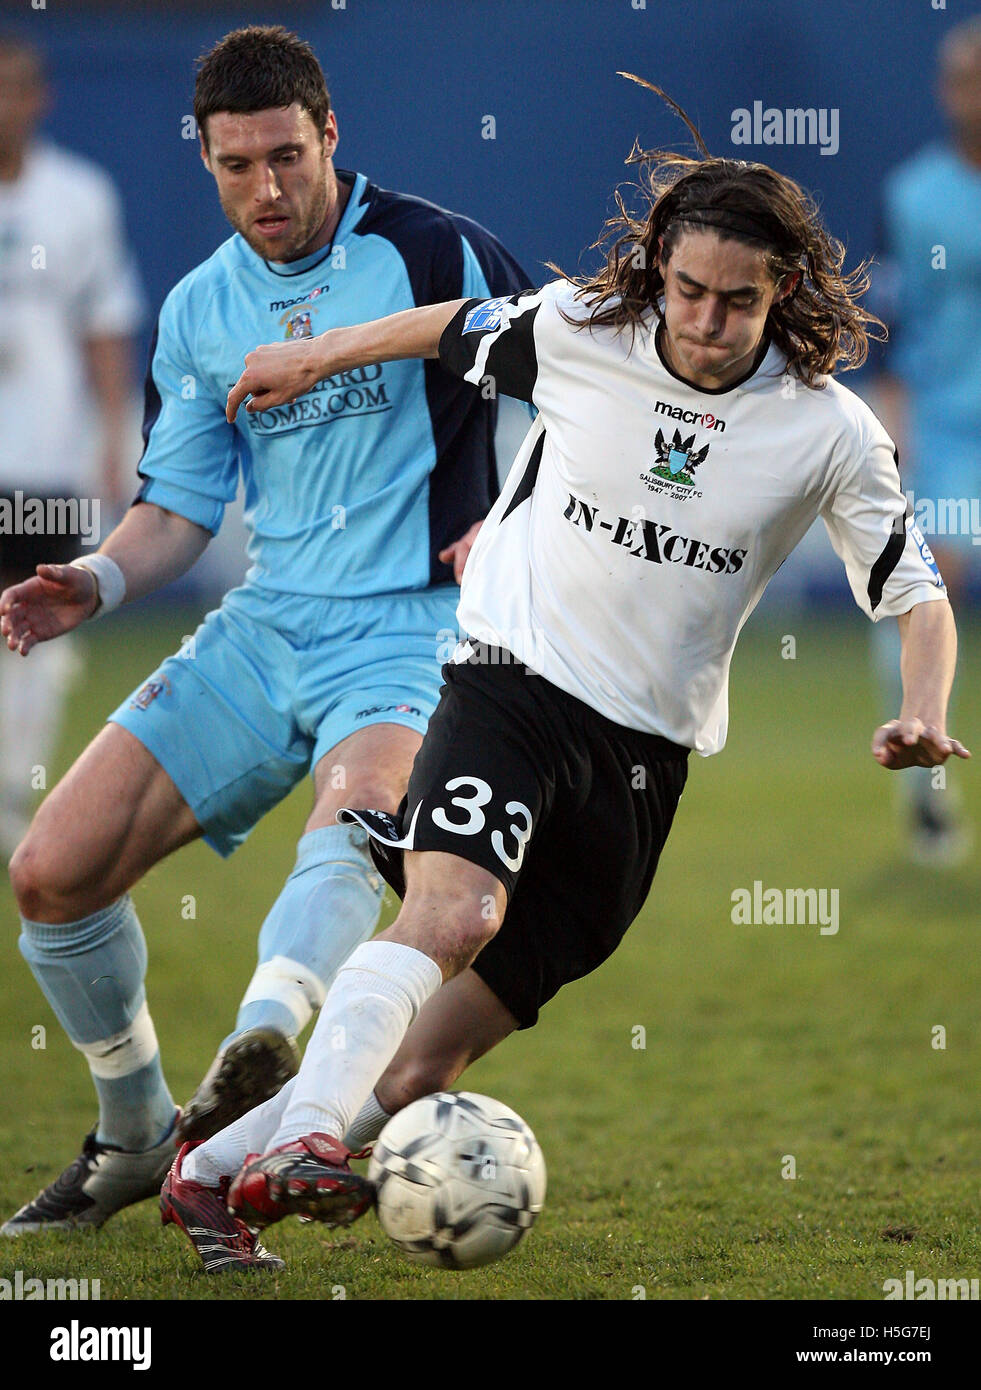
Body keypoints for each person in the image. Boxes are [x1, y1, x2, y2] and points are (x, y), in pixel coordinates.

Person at [156, 118, 970, 1273]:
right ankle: (305, 1135)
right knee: (457, 914)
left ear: (780, 291)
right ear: (661, 272)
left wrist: (925, 709)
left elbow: (918, 593)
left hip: (644, 764)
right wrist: (313, 353)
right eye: (685, 288)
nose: (700, 318)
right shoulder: (584, 326)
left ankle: (205, 1176)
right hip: (507, 683)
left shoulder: (830, 431)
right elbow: (445, 326)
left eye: (733, 301)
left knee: (425, 1069)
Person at [0, 24, 530, 1236]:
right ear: (205, 159)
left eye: (287, 155)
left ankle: (263, 1043)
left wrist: (510, 520)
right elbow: (177, 509)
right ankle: (135, 1135)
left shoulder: (433, 248)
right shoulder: (199, 309)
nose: (267, 188)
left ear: (331, 133)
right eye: (236, 165)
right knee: (51, 874)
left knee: (352, 832)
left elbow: (578, 374)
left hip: (411, 631)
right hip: (266, 626)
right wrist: (96, 580)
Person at [0, 34, 143, 857]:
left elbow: (105, 324)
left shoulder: (78, 197)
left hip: (46, 457)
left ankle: (15, 800)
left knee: (31, 641)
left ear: (41, 99)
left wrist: (111, 436)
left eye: (18, 88)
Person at [870, 14, 981, 865]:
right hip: (945, 430)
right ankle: (925, 782)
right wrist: (893, 440)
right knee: (921, 595)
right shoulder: (911, 194)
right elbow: (891, 327)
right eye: (961, 78)